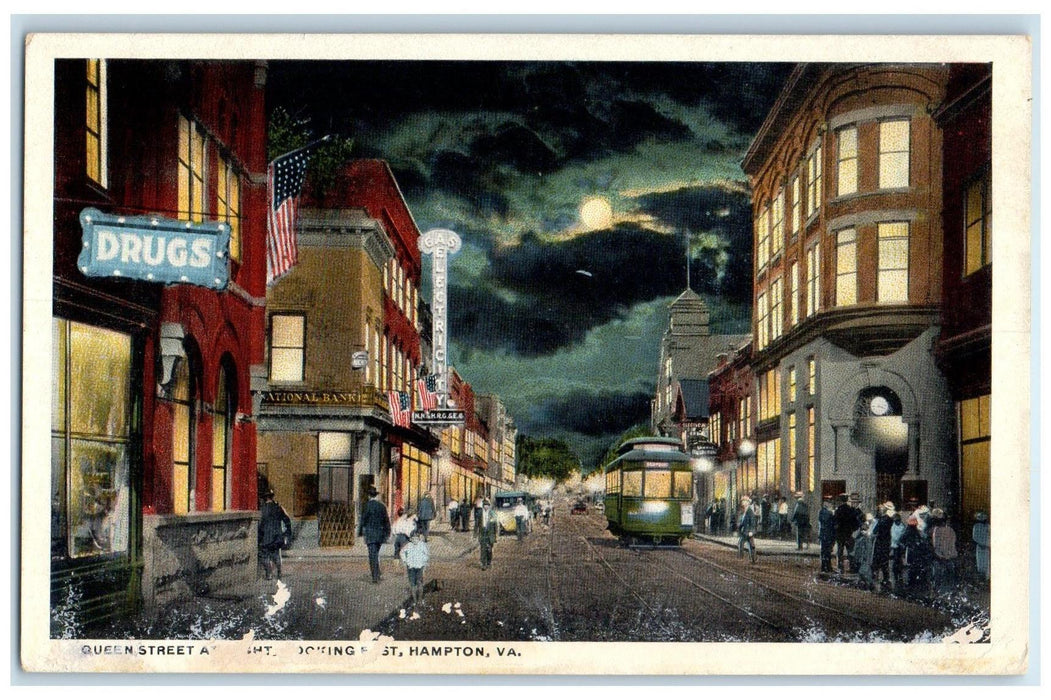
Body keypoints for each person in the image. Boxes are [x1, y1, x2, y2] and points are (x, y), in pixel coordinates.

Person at [357, 487, 391, 584]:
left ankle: (375, 576)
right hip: (380, 534)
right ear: (376, 495)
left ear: (368, 496)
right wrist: (388, 533)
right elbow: (386, 520)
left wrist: (360, 532)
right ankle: (378, 572)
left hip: (370, 534)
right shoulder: (382, 506)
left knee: (372, 555)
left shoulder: (367, 506)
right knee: (375, 554)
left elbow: (363, 520)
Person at [258, 489, 292, 580]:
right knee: (276, 554)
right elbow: (287, 519)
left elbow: (261, 524)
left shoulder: (262, 509)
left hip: (266, 536)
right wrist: (287, 533)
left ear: (264, 498)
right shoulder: (278, 507)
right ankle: (279, 572)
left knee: (264, 554)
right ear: (272, 497)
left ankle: (269, 573)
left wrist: (259, 536)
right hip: (277, 535)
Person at [900, 515, 931, 596]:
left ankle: (910, 583)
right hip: (914, 552)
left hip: (911, 552)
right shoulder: (915, 531)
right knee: (914, 568)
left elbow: (901, 541)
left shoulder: (908, 531)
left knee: (911, 568)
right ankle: (913, 584)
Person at [929, 508, 958, 593]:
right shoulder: (950, 530)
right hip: (948, 557)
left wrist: (941, 555)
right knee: (949, 576)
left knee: (938, 576)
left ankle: (938, 592)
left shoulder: (935, 530)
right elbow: (952, 544)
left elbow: (935, 546)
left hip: (939, 557)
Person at [400, 528, 430, 606]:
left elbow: (426, 555)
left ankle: (420, 599)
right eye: (413, 538)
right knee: (412, 584)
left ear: (419, 538)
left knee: (420, 583)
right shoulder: (408, 545)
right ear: (410, 539)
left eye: (416, 538)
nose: (415, 540)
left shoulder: (422, 545)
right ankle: (415, 600)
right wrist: (405, 561)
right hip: (411, 567)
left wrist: (424, 563)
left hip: (420, 567)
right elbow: (402, 552)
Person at [871, 502, 894, 593]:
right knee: (884, 560)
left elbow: (875, 530)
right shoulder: (890, 519)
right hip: (886, 541)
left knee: (877, 559)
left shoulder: (882, 520)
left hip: (880, 541)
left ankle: (875, 576)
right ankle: (885, 577)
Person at [833, 494, 860, 574]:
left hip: (840, 534)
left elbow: (835, 522)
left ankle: (840, 568)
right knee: (850, 551)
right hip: (849, 534)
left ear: (840, 501)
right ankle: (852, 567)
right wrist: (852, 529)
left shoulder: (838, 510)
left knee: (840, 552)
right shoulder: (851, 510)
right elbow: (855, 522)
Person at [853, 519, 874, 590]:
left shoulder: (866, 537)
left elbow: (868, 549)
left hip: (865, 558)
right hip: (863, 557)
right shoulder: (863, 537)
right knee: (863, 571)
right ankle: (864, 583)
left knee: (864, 571)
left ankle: (867, 584)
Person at [478, 499, 498, 570]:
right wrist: (476, 533)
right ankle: (484, 564)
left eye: (487, 505)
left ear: (489, 506)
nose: (486, 507)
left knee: (489, 549)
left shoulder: (492, 513)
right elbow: (477, 524)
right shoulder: (480, 513)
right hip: (483, 533)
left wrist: (496, 535)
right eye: (484, 505)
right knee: (483, 549)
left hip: (490, 534)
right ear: (483, 506)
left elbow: (495, 524)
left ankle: (489, 562)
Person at [889, 511, 907, 593]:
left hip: (899, 545)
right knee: (896, 559)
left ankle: (898, 572)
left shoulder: (901, 526)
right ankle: (896, 572)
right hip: (896, 545)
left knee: (898, 558)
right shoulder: (894, 526)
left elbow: (902, 535)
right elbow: (894, 536)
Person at [737, 498, 758, 564]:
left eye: (744, 501)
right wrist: (739, 527)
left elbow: (753, 522)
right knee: (743, 544)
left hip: (748, 532)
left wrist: (751, 531)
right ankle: (744, 558)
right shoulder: (745, 511)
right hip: (745, 532)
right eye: (742, 501)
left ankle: (752, 559)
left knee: (750, 546)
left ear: (747, 503)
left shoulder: (750, 512)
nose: (743, 502)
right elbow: (743, 522)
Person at [818, 500, 836, 573]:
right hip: (828, 534)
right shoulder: (829, 513)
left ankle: (823, 567)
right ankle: (828, 567)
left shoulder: (821, 512)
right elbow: (832, 524)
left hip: (823, 534)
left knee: (823, 552)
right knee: (828, 552)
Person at [972, 511, 990, 582]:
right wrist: (981, 543)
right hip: (980, 547)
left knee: (988, 564)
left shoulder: (988, 526)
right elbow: (975, 537)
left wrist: (988, 544)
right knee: (981, 563)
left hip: (988, 547)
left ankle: (987, 579)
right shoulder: (976, 526)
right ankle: (981, 579)